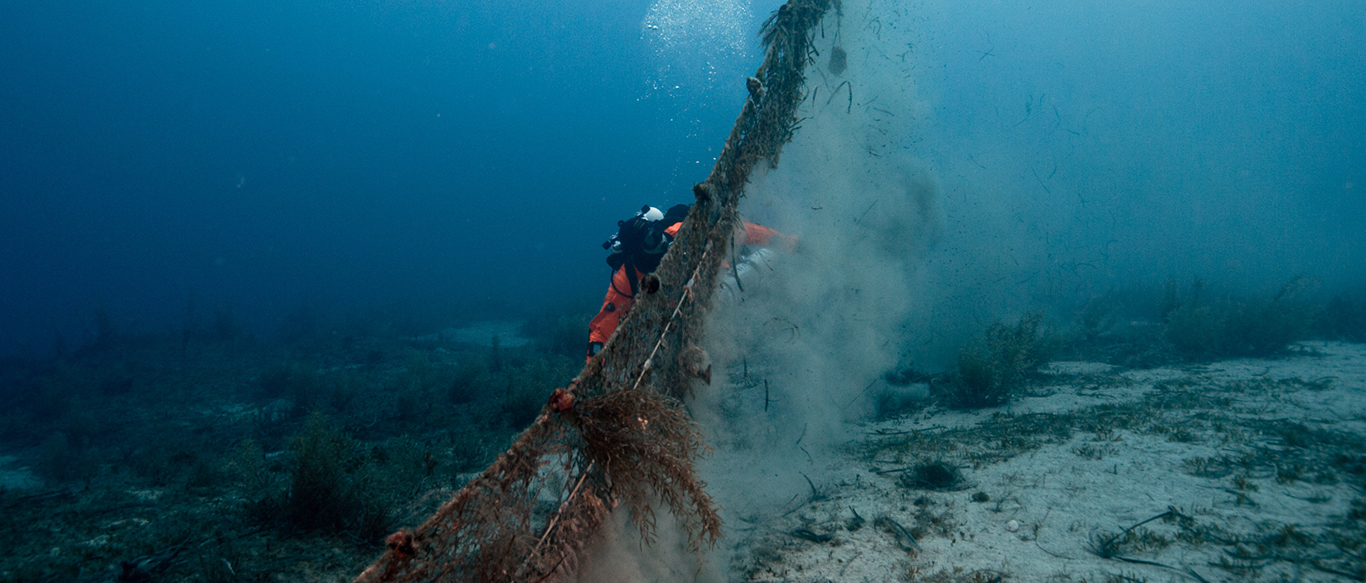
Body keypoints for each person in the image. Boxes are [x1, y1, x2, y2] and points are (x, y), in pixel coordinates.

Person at [586, 204, 795, 361]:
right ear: (637, 251)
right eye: (650, 241)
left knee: (745, 281)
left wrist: (785, 242)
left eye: (655, 233)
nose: (659, 241)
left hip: (724, 281)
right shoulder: (628, 277)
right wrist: (593, 370)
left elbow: (742, 231)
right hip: (688, 315)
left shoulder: (679, 231)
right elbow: (603, 329)